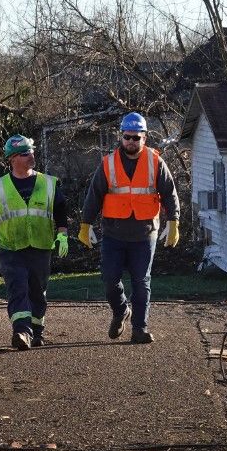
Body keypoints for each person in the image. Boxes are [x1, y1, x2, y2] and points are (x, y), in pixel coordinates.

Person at [78, 112, 179, 344]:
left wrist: (174, 222)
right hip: (114, 233)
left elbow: (170, 194)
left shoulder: (156, 162)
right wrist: (85, 224)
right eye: (127, 137)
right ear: (121, 136)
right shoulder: (109, 163)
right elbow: (94, 195)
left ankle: (140, 329)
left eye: (136, 137)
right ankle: (121, 310)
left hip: (145, 233)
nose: (131, 141)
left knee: (142, 282)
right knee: (110, 279)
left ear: (144, 137)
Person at [0, 135, 68, 350]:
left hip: (41, 246)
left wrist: (62, 234)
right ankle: (21, 331)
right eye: (25, 153)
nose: (31, 156)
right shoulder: (0, 187)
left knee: (37, 290)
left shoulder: (48, 183)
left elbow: (60, 211)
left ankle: (36, 331)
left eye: (31, 151)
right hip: (10, 247)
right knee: (17, 287)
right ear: (12, 158)